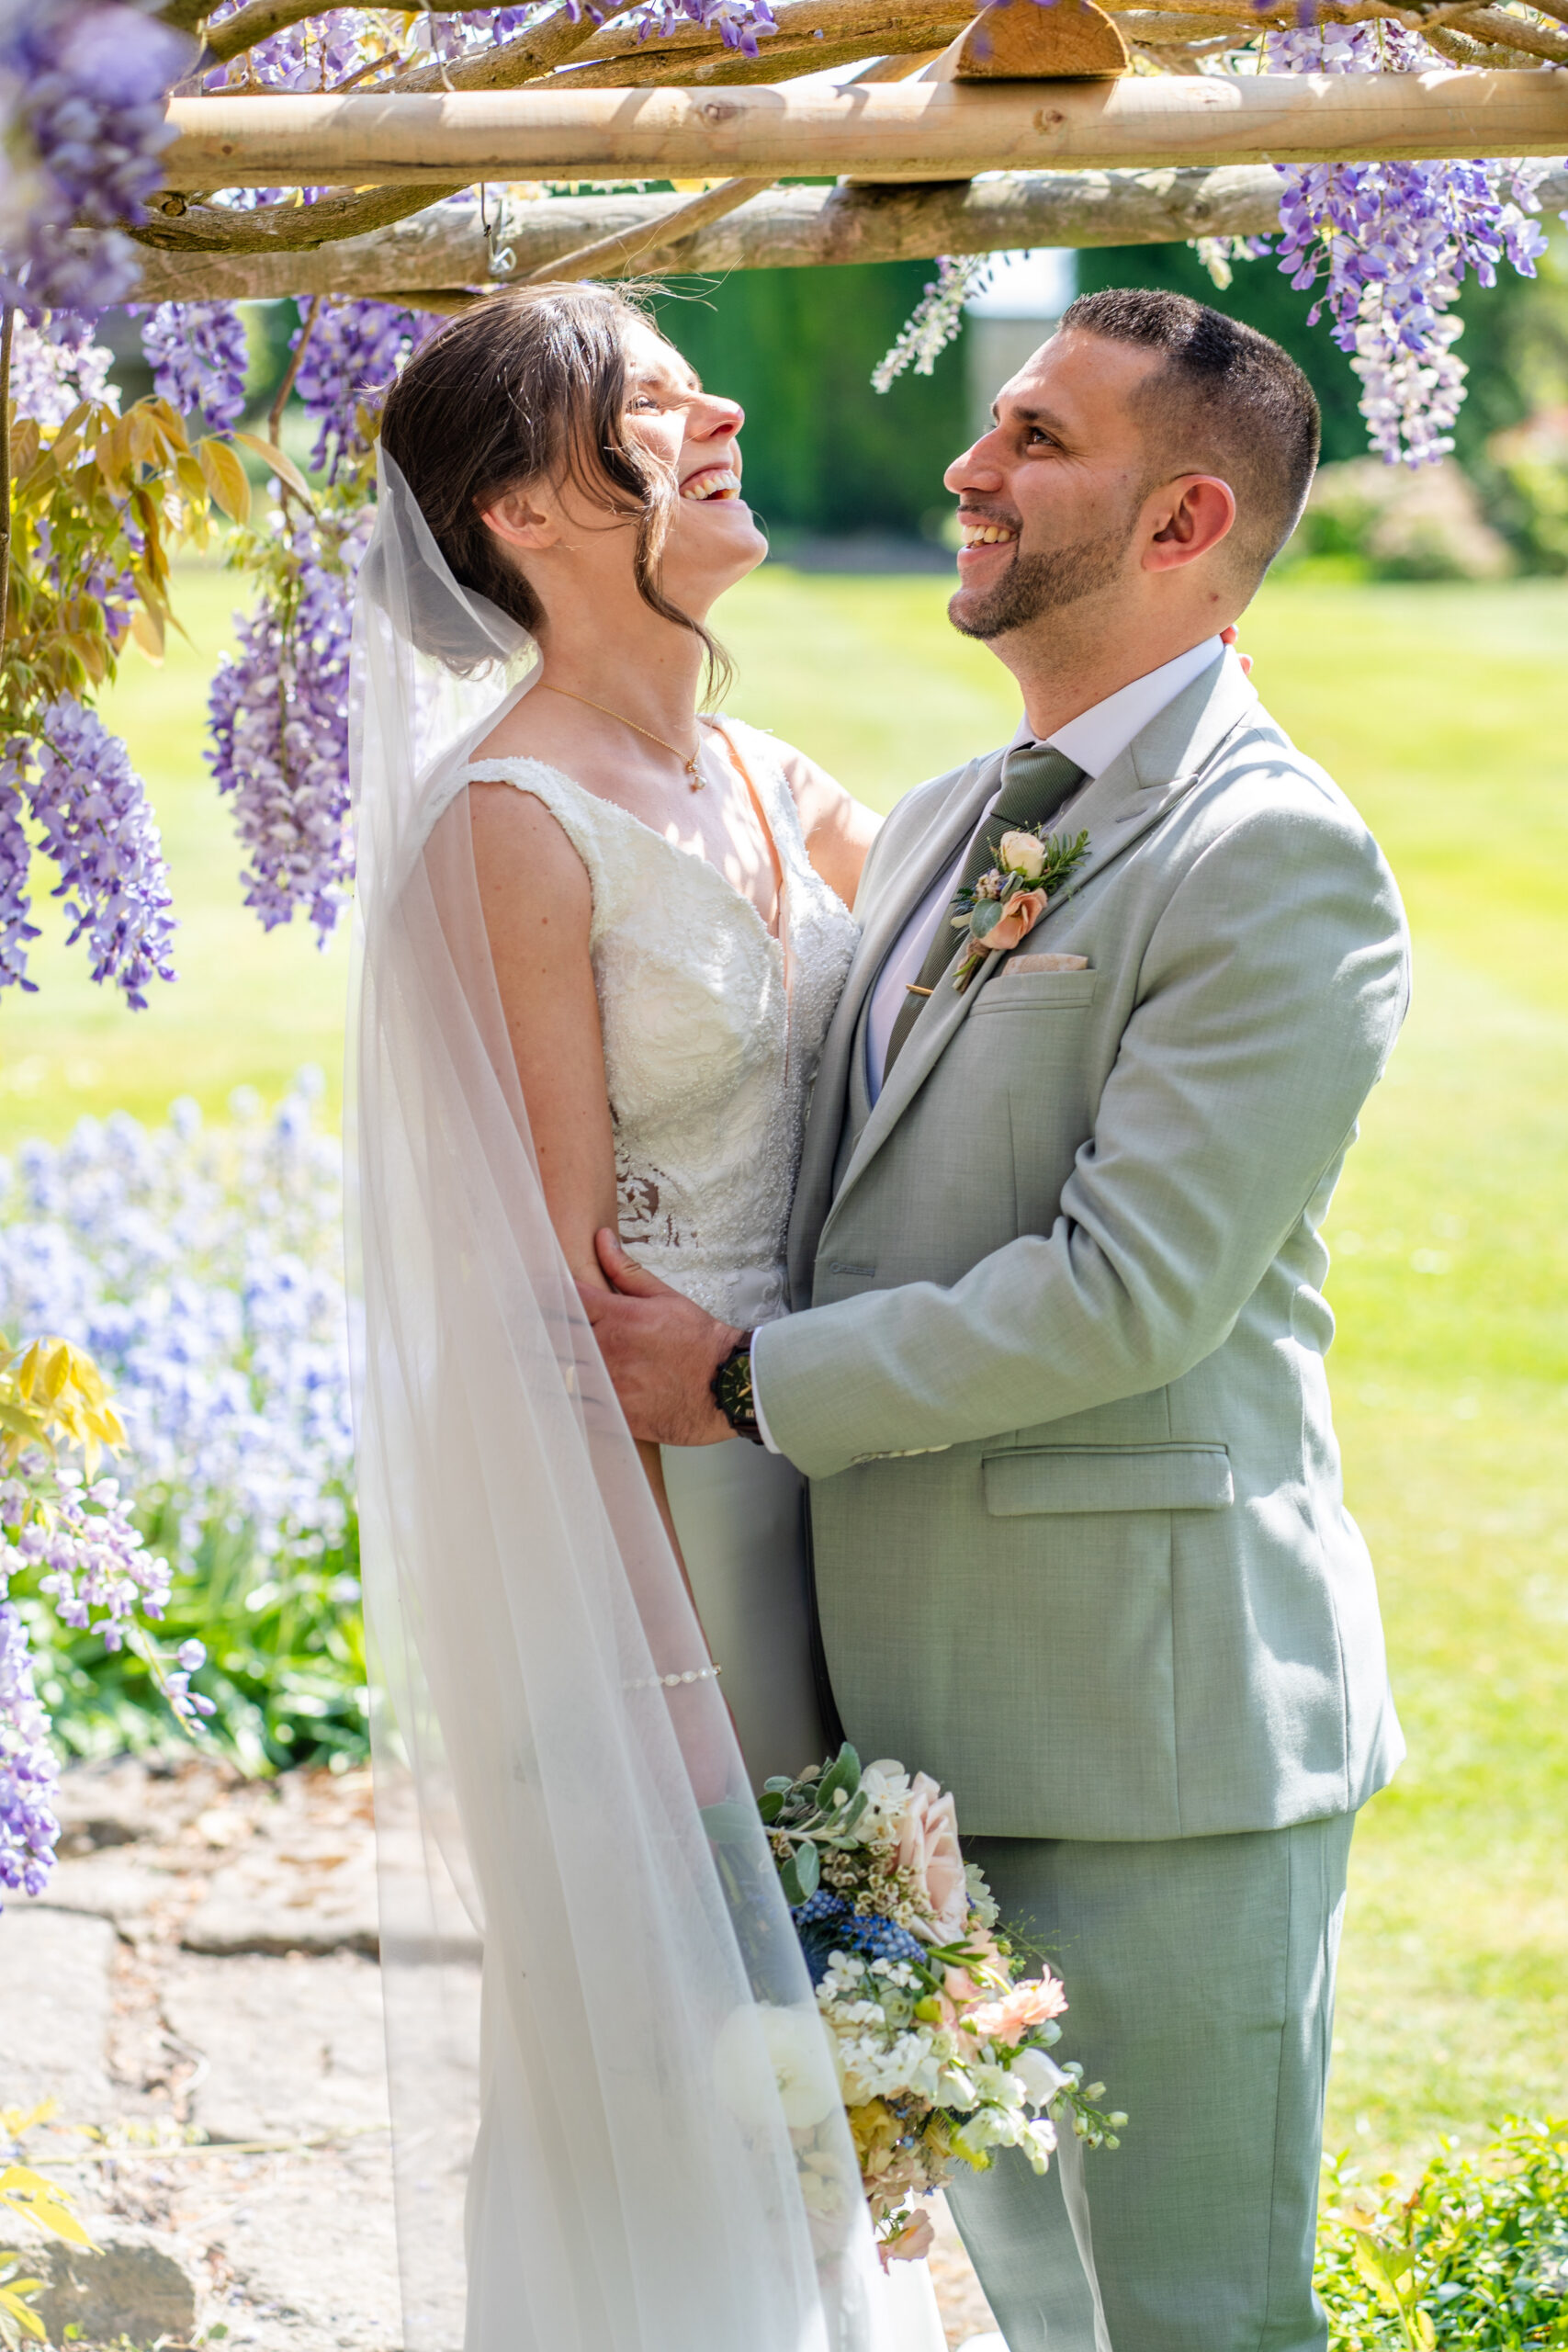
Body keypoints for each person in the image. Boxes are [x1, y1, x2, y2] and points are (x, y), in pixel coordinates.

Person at [582, 288, 1412, 2352]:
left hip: (1155, 1736)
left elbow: (1132, 1290)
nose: (966, 466)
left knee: (1196, 2319)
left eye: (1033, 436)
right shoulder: (958, 813)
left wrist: (746, 1382)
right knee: (1043, 2319)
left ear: (1178, 515)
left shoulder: (1265, 853)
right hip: (919, 1733)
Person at [348, 280, 952, 2352]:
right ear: (522, 508)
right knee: (688, 2065)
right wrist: (652, 1700)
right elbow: (535, 1316)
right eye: (657, 411)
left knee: (845, 2068)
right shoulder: (512, 828)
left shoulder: (775, 777)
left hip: (828, 1473)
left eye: (706, 405)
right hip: (652, 1540)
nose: (716, 434)